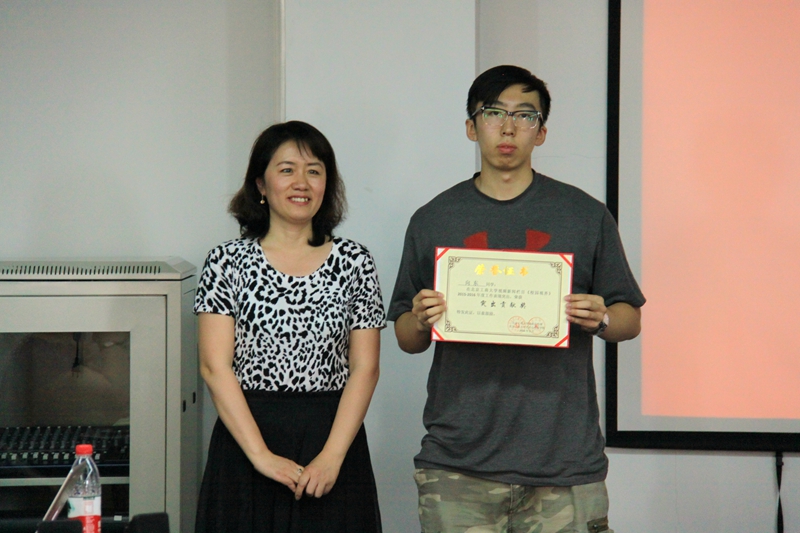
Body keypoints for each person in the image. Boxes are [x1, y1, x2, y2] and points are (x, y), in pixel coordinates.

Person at [388, 65, 646, 533]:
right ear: (471, 126)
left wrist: (602, 317)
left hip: (564, 464)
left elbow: (629, 319)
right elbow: (406, 336)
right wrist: (422, 319)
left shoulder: (585, 215)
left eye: (525, 115)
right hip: (457, 464)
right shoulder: (434, 218)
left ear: (541, 132)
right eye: (493, 113)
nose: (508, 128)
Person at [194, 121, 384, 533]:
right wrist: (261, 456)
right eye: (287, 170)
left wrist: (332, 457)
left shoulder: (356, 261)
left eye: (314, 171)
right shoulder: (226, 262)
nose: (302, 182)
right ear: (261, 184)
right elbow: (214, 366)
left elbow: (365, 367)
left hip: (332, 440)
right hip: (247, 439)